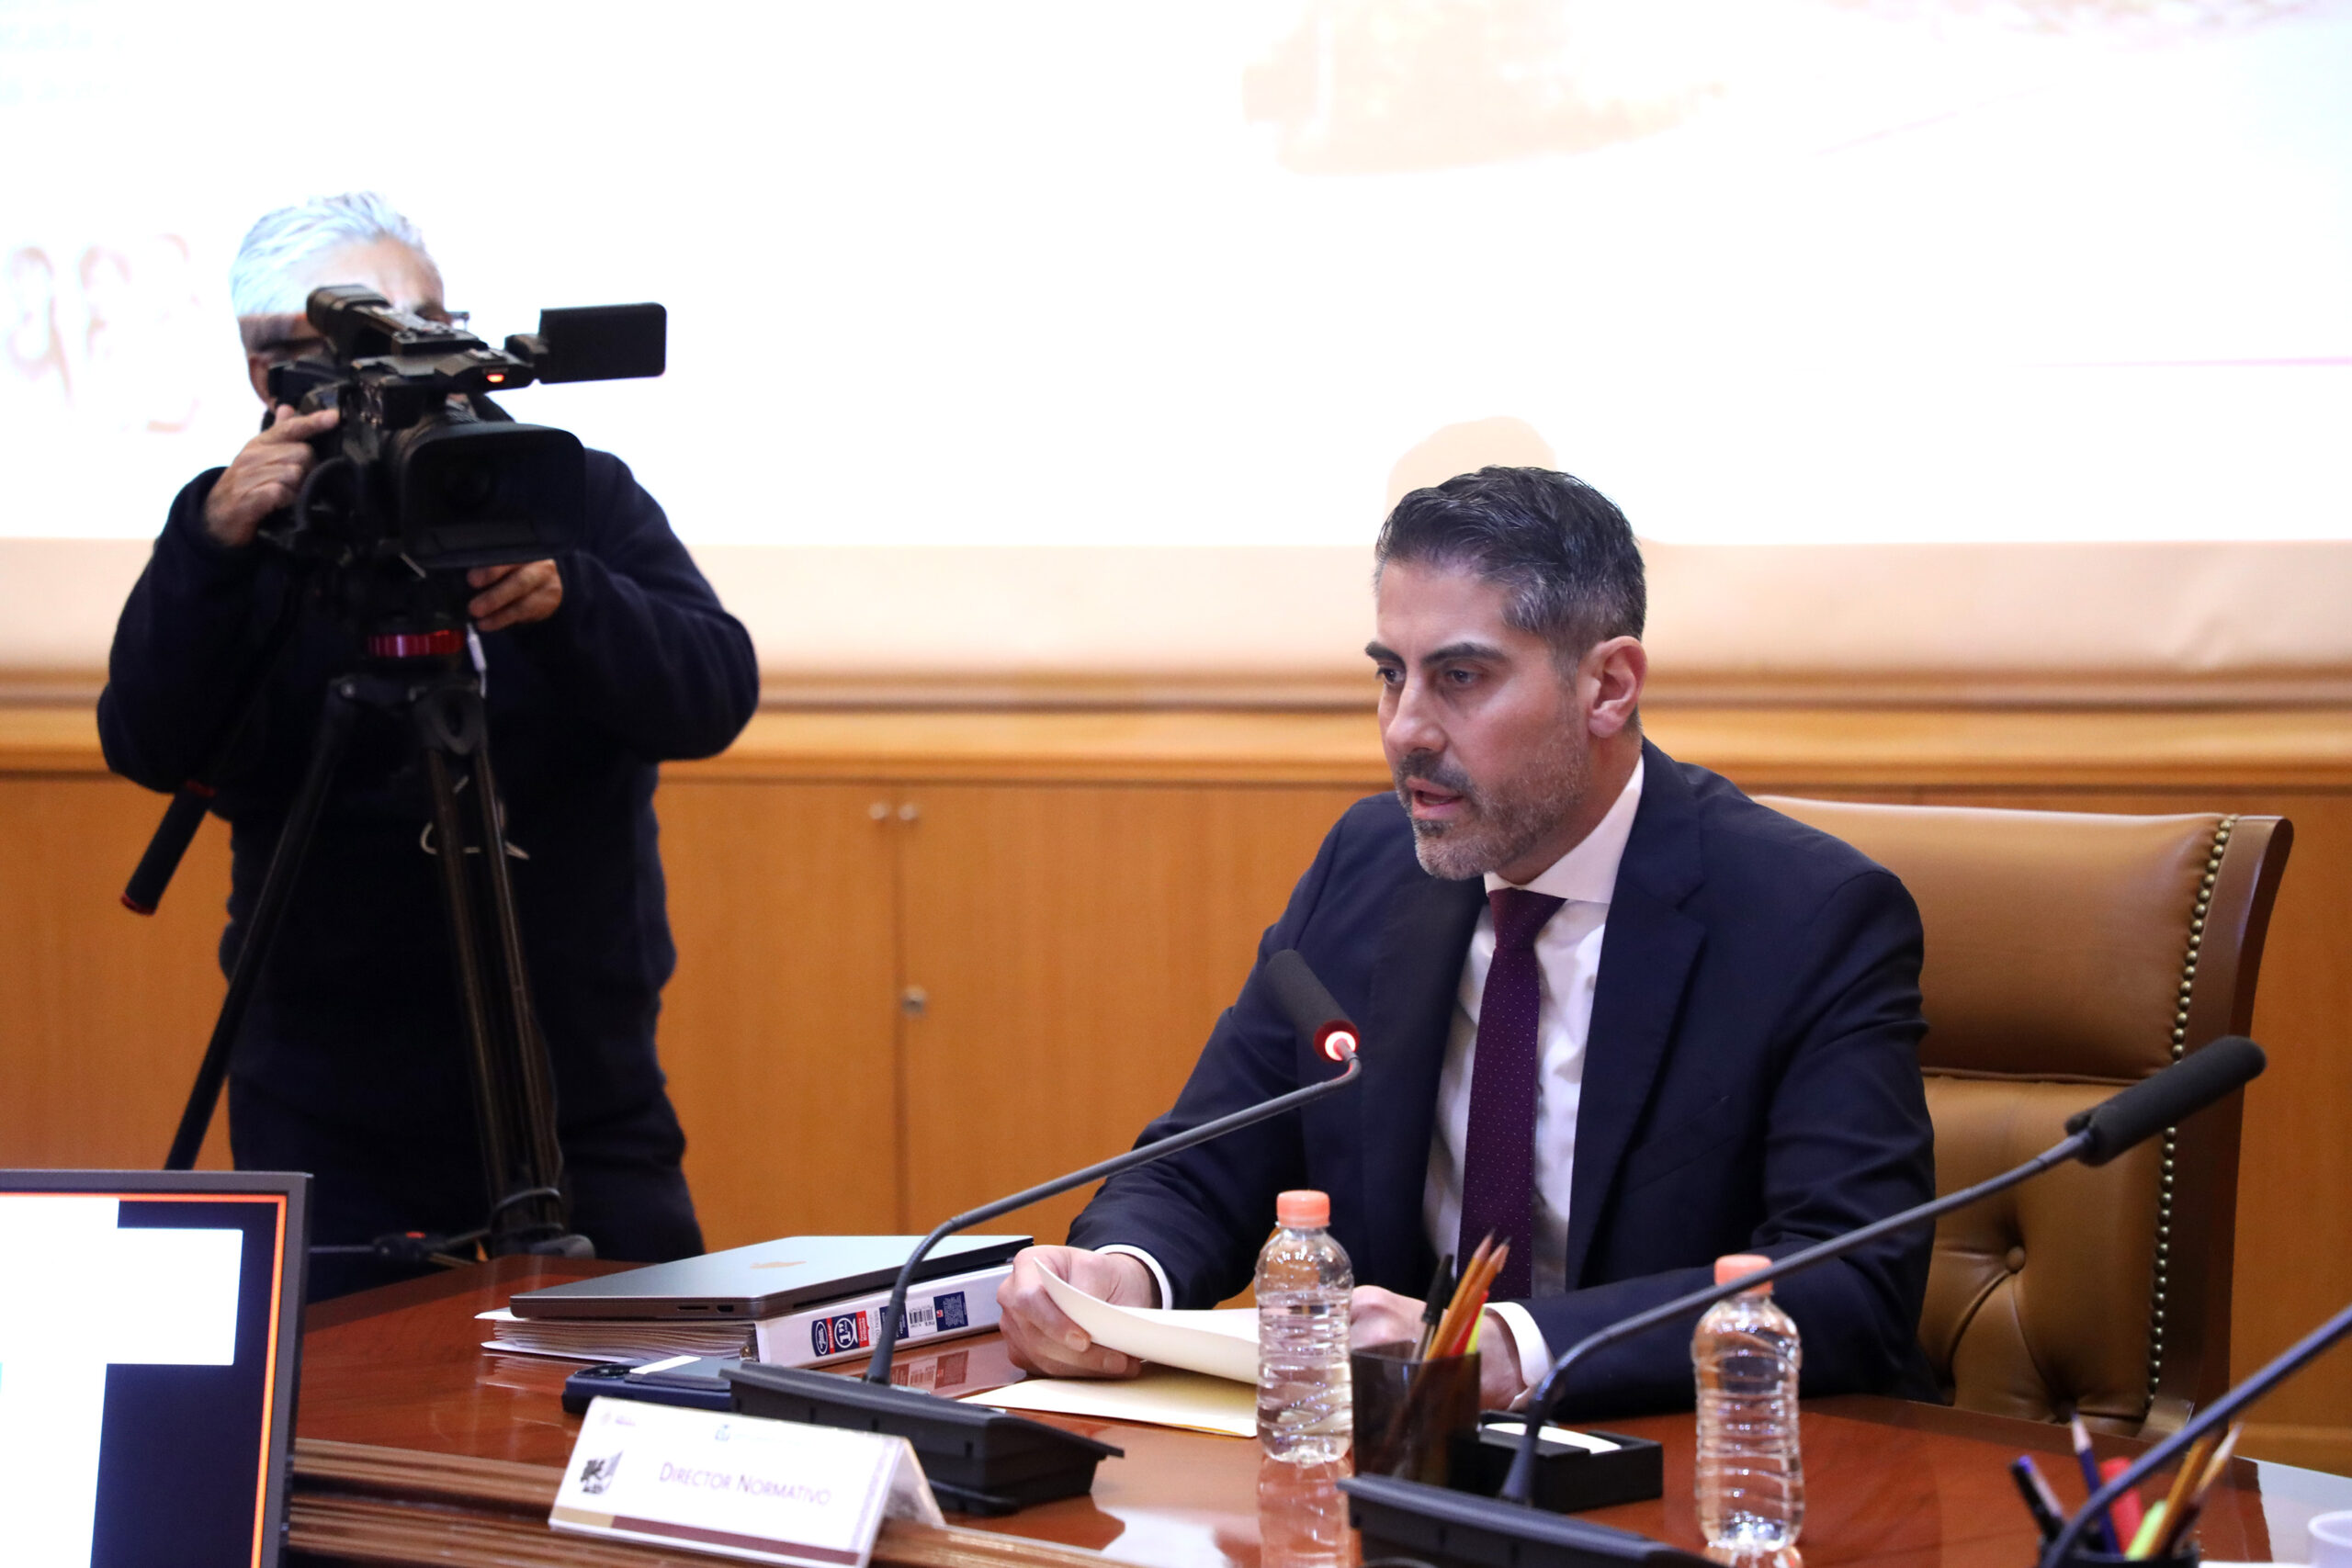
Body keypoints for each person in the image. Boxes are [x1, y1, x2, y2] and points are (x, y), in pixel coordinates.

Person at [997, 467, 1939, 1416]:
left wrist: (1498, 1348)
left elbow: (1850, 1282)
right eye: (1390, 674)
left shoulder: (1806, 916)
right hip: (1398, 1465)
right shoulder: (1367, 866)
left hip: (1680, 1455)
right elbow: (1206, 1163)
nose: (1405, 729)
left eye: (1459, 678)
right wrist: (1124, 1273)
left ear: (1608, 686)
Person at [98, 193, 759, 1297]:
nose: (416, 362)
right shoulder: (259, 528)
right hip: (329, 1108)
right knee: (340, 1400)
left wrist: (572, 599)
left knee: (637, 1384)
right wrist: (212, 543)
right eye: (368, 339)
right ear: (270, 373)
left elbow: (713, 693)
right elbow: (150, 742)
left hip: (581, 1093)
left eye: (430, 324)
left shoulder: (564, 489)